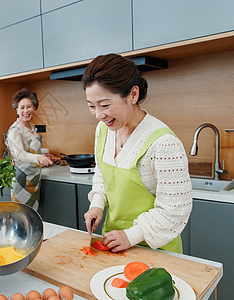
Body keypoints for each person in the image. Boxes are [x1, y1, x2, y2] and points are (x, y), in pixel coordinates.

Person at [81, 54, 192, 254]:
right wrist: (97, 204)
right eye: (91, 106)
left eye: (105, 105)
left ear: (133, 95)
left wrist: (131, 235)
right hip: (113, 243)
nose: (98, 115)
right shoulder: (104, 130)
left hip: (156, 249)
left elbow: (175, 210)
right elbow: (102, 175)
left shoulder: (163, 143)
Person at [5, 88, 57, 210]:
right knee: (21, 214)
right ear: (16, 110)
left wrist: (44, 154)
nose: (26, 110)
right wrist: (38, 158)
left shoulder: (32, 126)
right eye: (22, 107)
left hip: (34, 178)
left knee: (32, 214)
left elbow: (30, 148)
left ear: (34, 107)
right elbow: (19, 154)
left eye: (29, 106)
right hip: (21, 179)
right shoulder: (14, 130)